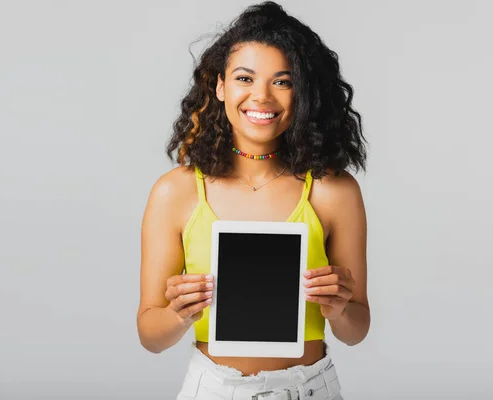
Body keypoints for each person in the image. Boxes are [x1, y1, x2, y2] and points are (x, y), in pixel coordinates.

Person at [137, 2, 369, 399]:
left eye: (283, 81)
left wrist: (340, 307)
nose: (261, 96)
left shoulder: (335, 191)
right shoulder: (175, 192)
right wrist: (179, 314)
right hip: (213, 389)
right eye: (245, 78)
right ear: (221, 86)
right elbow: (151, 335)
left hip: (311, 388)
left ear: (303, 93)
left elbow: (356, 329)